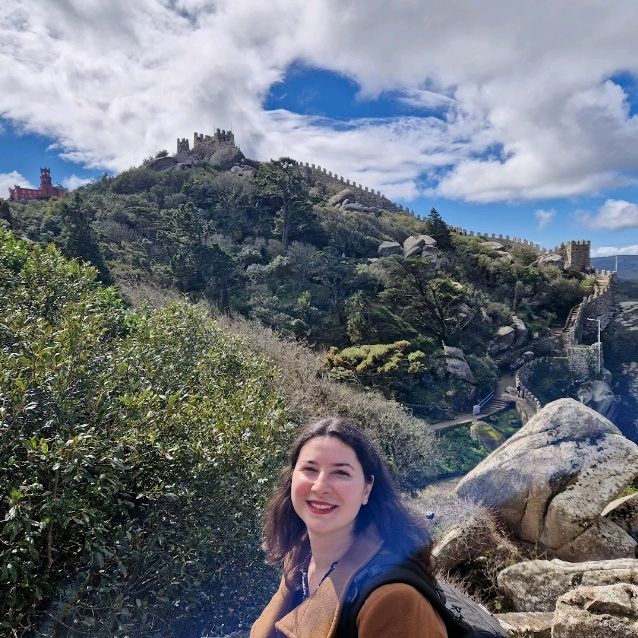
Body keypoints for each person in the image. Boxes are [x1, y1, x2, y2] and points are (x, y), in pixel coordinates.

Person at [251, 417, 447, 638]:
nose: (320, 486)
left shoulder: (393, 601)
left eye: (341, 473)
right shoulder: (300, 557)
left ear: (367, 489)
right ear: (292, 477)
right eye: (310, 469)